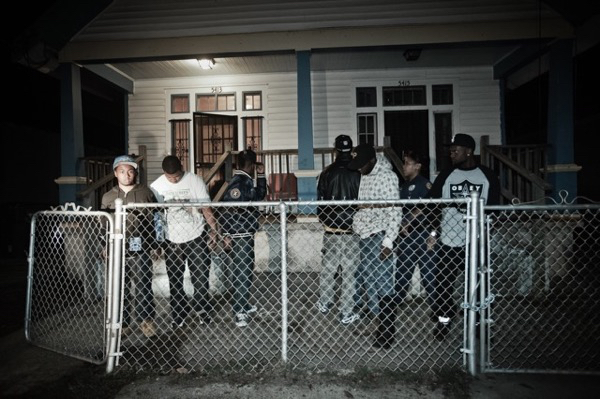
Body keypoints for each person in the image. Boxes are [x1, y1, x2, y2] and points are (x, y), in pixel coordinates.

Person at [428, 133, 500, 340]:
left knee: (479, 284)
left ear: (469, 151)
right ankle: (444, 321)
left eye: (455, 150)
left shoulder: (487, 175)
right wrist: (434, 232)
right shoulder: (446, 175)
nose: (451, 154)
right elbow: (432, 206)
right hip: (449, 239)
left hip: (475, 241)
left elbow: (494, 208)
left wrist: (485, 232)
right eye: (450, 150)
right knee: (442, 284)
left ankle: (478, 323)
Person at [150, 155, 219, 329]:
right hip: (171, 238)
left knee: (201, 277)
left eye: (177, 177)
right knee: (175, 279)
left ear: (182, 169)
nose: (174, 180)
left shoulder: (194, 181)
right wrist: (157, 243)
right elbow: (156, 216)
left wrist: (213, 230)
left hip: (196, 235)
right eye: (170, 177)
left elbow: (206, 208)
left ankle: (203, 310)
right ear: (164, 173)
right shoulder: (157, 186)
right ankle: (178, 314)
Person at [348, 143, 402, 349]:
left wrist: (389, 240)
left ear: (372, 160)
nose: (359, 169)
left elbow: (395, 210)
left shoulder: (387, 177)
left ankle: (387, 332)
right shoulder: (365, 174)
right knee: (369, 281)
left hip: (379, 236)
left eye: (362, 164)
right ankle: (377, 323)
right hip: (364, 235)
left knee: (384, 283)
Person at [101, 155, 157, 338]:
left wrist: (155, 245)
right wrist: (105, 246)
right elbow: (104, 224)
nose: (127, 175)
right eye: (123, 171)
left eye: (130, 171)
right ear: (116, 173)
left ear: (135, 173)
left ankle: (146, 321)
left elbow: (155, 220)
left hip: (139, 247)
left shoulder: (145, 193)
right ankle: (122, 323)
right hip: (116, 248)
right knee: (119, 286)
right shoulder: (108, 196)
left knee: (142, 285)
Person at [315, 135, 361, 325]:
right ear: (351, 150)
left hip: (332, 228)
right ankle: (346, 311)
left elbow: (320, 202)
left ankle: (325, 302)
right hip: (351, 229)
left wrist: (326, 220)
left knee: (328, 268)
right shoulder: (359, 173)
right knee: (349, 272)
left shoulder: (327, 172)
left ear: (335, 150)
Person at [219, 149, 267, 327]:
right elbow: (227, 210)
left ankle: (244, 304)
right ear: (252, 165)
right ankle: (239, 311)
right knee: (242, 271)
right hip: (240, 234)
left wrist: (261, 176)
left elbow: (258, 196)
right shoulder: (239, 182)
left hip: (245, 232)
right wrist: (226, 234)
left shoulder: (244, 180)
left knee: (245, 269)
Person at [395, 151, 439, 315]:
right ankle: (395, 304)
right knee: (402, 272)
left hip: (423, 235)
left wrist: (433, 235)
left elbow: (434, 211)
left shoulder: (425, 185)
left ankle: (437, 307)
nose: (404, 166)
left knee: (429, 274)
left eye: (407, 163)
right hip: (406, 238)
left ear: (418, 166)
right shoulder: (404, 186)